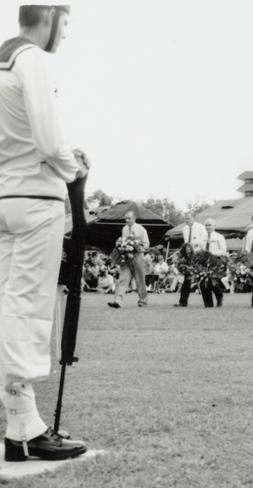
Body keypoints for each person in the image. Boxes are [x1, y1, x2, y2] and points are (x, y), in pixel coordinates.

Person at [0, 4, 88, 460]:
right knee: (29, 310)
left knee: (8, 307)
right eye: (66, 23)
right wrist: (73, 167)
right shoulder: (31, 58)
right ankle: (26, 428)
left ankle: (20, 425)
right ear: (49, 16)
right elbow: (50, 138)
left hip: (4, 197)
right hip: (37, 199)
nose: (65, 33)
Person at [108, 210, 150, 309]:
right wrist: (120, 244)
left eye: (129, 218)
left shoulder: (141, 229)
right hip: (126, 257)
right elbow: (123, 241)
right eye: (125, 218)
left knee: (140, 280)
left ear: (134, 218)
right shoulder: (124, 229)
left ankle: (143, 301)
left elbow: (146, 244)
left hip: (137, 257)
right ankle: (118, 301)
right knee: (123, 279)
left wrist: (138, 247)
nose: (126, 220)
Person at [175, 212, 207, 307]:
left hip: (198, 255)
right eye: (185, 219)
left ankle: (207, 302)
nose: (186, 220)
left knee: (201, 279)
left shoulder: (200, 227)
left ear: (193, 218)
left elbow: (203, 242)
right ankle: (183, 302)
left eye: (188, 218)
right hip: (188, 257)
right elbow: (185, 243)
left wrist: (194, 245)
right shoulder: (184, 229)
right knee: (187, 280)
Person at [201, 218, 228, 307]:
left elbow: (223, 250)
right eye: (206, 225)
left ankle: (219, 297)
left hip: (216, 261)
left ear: (214, 226)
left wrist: (213, 254)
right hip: (204, 262)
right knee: (203, 282)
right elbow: (200, 249)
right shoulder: (202, 236)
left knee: (214, 282)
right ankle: (208, 304)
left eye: (209, 225)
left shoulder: (219, 236)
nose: (207, 227)